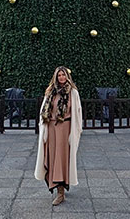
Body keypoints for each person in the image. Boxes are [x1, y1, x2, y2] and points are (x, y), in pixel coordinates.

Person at [35, 67, 82, 206]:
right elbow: (43, 111)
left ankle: (60, 192)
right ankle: (56, 186)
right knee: (51, 158)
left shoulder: (73, 93)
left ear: (67, 76)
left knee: (61, 160)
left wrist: (75, 133)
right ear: (55, 77)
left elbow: (77, 114)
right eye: (59, 75)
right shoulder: (50, 92)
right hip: (51, 128)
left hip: (65, 128)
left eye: (63, 75)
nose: (61, 77)